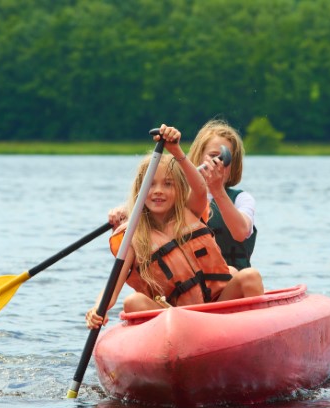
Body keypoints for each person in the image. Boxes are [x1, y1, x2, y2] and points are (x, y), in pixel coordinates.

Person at [86, 124, 257, 330]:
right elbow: (112, 286)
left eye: (168, 184)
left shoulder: (191, 211)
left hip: (215, 307)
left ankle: (256, 335)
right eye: (151, 184)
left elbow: (200, 188)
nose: (158, 191)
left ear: (179, 190)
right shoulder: (133, 235)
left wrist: (175, 149)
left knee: (249, 275)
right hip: (175, 318)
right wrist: (98, 308)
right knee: (133, 301)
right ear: (140, 191)